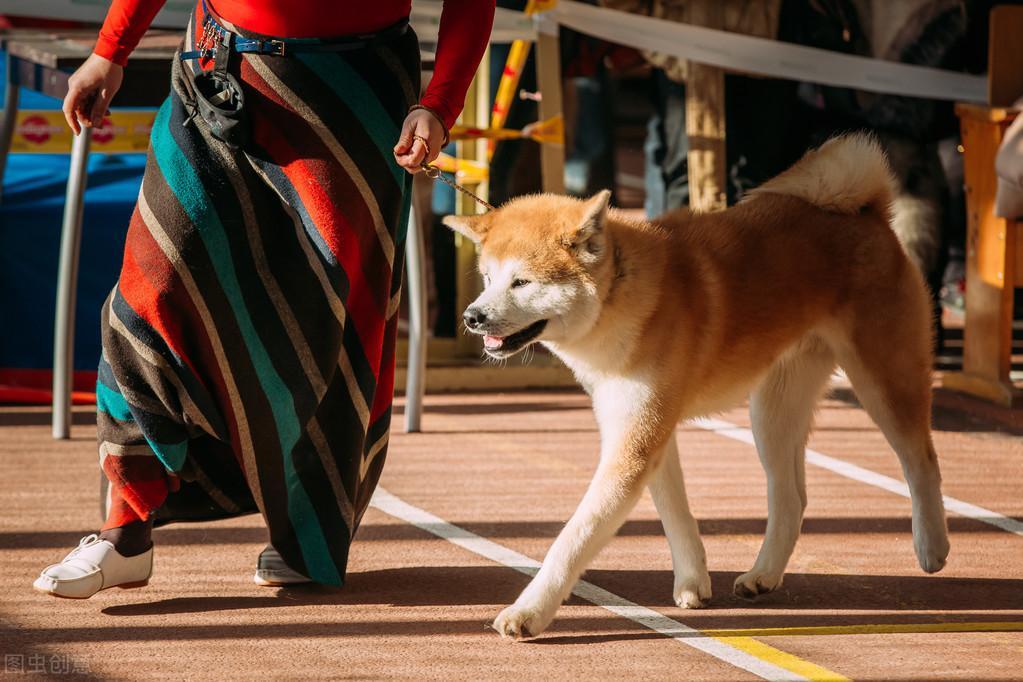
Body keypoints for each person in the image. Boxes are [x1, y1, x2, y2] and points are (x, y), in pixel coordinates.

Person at [33, 0, 494, 598]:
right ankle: (124, 531)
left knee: (327, 322)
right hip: (215, 73)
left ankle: (307, 539)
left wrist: (440, 103)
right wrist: (109, 50)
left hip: (354, 93)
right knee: (150, 292)